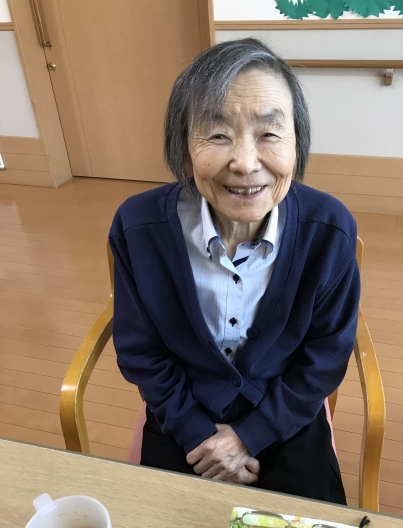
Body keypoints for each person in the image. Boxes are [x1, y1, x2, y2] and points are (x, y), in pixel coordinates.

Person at [109, 38, 360, 504]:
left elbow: (326, 355)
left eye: (269, 134)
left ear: (298, 143)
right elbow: (142, 352)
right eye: (217, 134)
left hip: (285, 410)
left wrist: (250, 435)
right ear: (183, 145)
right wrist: (197, 434)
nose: (244, 163)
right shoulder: (138, 228)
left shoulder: (329, 229)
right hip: (183, 411)